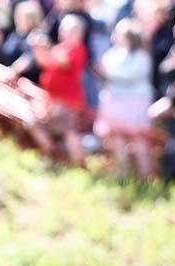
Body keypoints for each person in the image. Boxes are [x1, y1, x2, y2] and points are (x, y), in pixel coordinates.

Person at [95, 19, 155, 177]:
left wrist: (108, 73)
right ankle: (123, 173)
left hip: (135, 102)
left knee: (139, 139)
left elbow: (131, 74)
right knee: (117, 138)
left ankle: (145, 175)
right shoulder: (113, 53)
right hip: (115, 100)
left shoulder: (141, 55)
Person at [29, 15, 88, 165]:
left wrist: (47, 47)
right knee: (35, 124)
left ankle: (78, 164)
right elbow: (45, 62)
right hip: (52, 101)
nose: (61, 33)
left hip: (67, 102)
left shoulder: (77, 49)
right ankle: (53, 154)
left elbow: (64, 63)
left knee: (69, 133)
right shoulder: (60, 48)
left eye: (66, 30)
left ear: (77, 33)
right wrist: (37, 48)